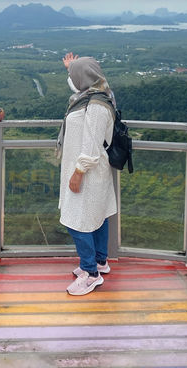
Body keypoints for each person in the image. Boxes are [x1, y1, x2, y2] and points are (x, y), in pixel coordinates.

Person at [57, 52, 117, 296]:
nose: (73, 78)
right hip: (88, 171)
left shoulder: (96, 106)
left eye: (75, 74)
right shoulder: (90, 95)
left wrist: (78, 173)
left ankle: (91, 272)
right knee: (97, 216)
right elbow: (77, 83)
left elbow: (92, 145)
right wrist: (72, 67)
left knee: (78, 221)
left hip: (88, 172)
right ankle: (100, 261)